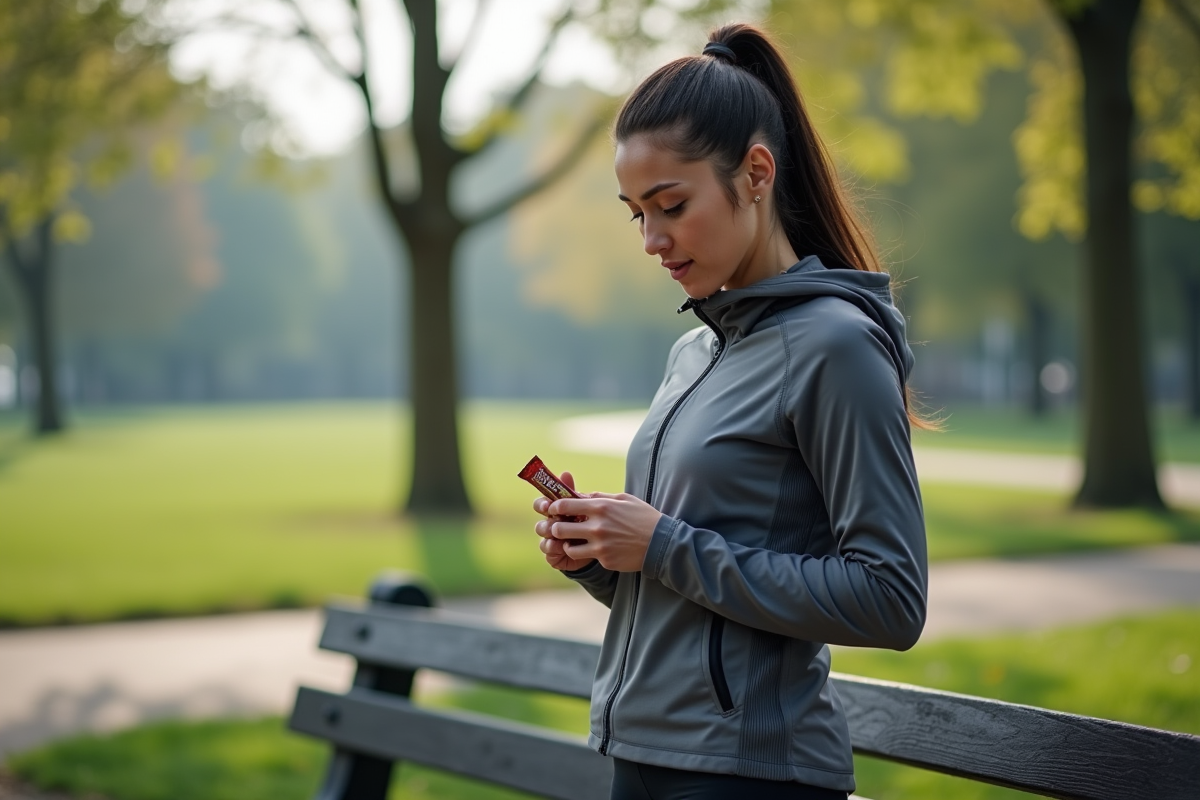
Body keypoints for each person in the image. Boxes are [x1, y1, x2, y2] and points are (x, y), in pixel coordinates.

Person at [531, 22, 929, 800]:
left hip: (750, 774)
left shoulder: (836, 348)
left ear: (754, 173)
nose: (650, 238)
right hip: (644, 754)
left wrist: (663, 544)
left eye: (670, 204)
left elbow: (891, 599)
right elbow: (698, 582)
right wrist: (603, 557)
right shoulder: (697, 351)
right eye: (635, 212)